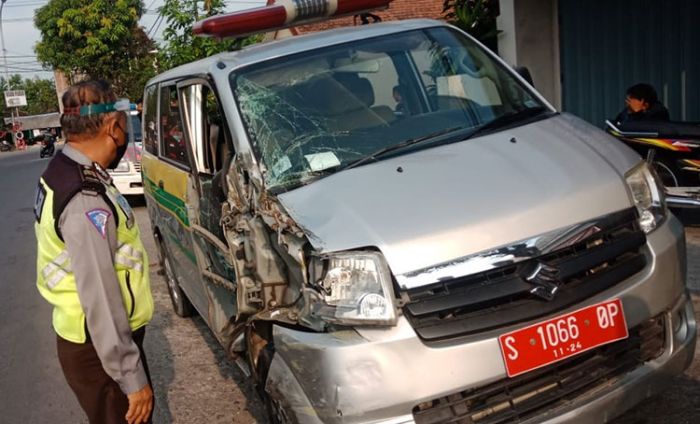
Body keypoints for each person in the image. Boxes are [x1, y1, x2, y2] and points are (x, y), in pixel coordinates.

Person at [34, 80, 154, 424]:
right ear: (112, 127)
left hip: (92, 340)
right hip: (100, 349)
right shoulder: (85, 199)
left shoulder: (65, 171)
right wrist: (131, 378)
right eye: (122, 122)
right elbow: (100, 296)